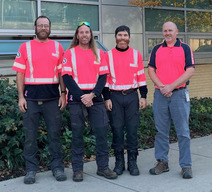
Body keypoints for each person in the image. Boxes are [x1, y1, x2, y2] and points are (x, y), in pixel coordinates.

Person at [12, 16, 67, 184]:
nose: (43, 28)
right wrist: (21, 97)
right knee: (30, 137)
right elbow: (20, 73)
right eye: (40, 25)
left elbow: (61, 73)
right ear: (34, 27)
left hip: (52, 99)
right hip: (31, 100)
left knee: (55, 135)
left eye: (46, 25)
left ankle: (57, 167)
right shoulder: (25, 47)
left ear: (50, 28)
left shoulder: (58, 47)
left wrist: (63, 93)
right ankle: (31, 170)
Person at [61, 21, 117, 182]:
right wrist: (82, 97)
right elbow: (67, 77)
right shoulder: (70, 53)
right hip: (76, 100)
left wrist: (92, 95)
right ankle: (78, 169)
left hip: (96, 99)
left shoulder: (100, 53)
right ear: (77, 35)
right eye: (81, 32)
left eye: (87, 32)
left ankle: (103, 167)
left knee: (101, 133)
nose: (84, 35)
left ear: (91, 35)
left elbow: (103, 77)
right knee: (77, 135)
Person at [148, 21, 195, 179]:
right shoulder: (156, 49)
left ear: (176, 32)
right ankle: (162, 162)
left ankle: (186, 166)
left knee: (183, 132)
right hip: (160, 95)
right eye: (165, 31)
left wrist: (171, 87)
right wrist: (162, 87)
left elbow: (190, 70)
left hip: (179, 94)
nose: (167, 33)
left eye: (170, 30)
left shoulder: (185, 48)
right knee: (161, 131)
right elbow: (151, 69)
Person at [102, 25, 148, 176]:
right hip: (114, 97)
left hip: (132, 96)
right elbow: (105, 80)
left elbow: (141, 77)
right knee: (116, 129)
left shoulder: (136, 54)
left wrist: (144, 96)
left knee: (132, 129)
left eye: (125, 35)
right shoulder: (107, 55)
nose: (122, 38)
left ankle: (132, 162)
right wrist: (107, 98)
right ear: (115, 37)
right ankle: (119, 162)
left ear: (129, 37)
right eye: (120, 35)